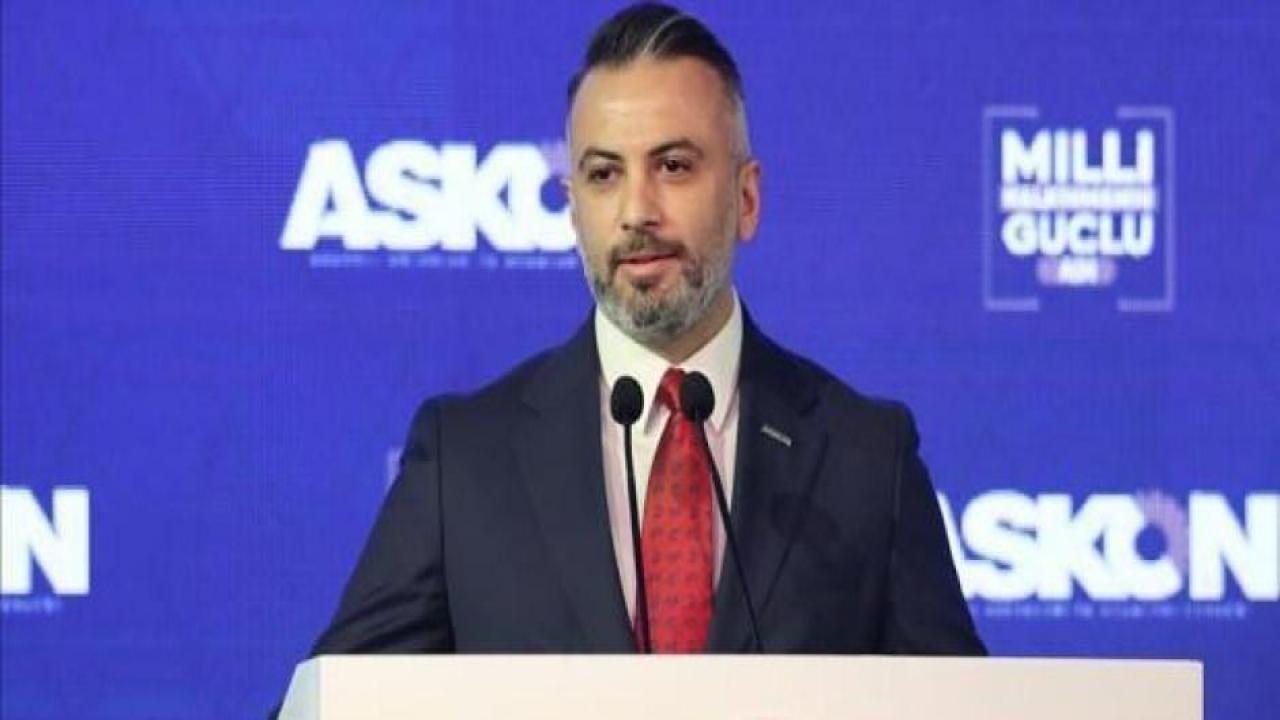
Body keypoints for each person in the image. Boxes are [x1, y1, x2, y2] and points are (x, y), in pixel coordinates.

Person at [305, 2, 984, 659]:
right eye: (604, 174)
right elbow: (332, 702)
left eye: (674, 166)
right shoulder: (464, 463)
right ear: (573, 210)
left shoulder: (867, 460)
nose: (637, 210)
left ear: (747, 198)